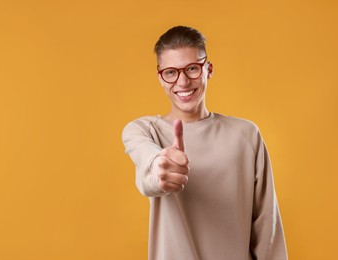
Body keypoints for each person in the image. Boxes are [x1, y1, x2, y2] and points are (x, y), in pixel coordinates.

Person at [122, 25, 287, 260]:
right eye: (171, 72)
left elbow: (267, 227)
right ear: (160, 77)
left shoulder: (247, 135)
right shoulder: (144, 131)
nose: (183, 82)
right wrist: (160, 168)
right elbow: (148, 169)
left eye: (192, 68)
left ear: (208, 69)